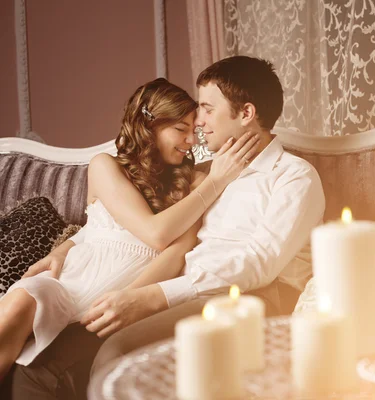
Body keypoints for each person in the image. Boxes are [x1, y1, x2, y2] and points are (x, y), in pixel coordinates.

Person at [1, 56, 325, 400]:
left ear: (246, 114)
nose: (198, 122)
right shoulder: (204, 174)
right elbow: (124, 222)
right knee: (33, 369)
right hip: (179, 291)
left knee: (116, 353)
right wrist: (67, 246)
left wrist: (154, 296)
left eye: (207, 109)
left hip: (241, 299)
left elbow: (260, 262)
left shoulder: (292, 176)